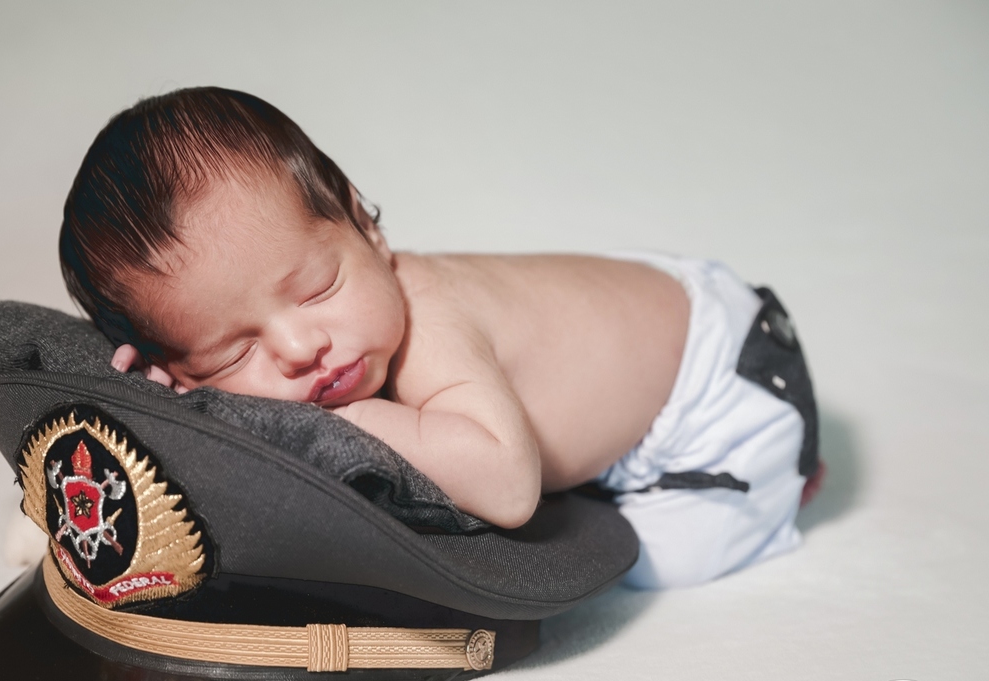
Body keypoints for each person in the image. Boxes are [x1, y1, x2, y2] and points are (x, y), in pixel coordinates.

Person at [58, 87, 824, 590]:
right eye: (233, 352)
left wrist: (324, 424)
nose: (299, 348)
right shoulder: (345, 330)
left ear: (365, 224)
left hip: (723, 378)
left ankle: (780, 481)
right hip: (639, 352)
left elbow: (511, 489)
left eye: (318, 287)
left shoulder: (431, 325)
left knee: (654, 569)